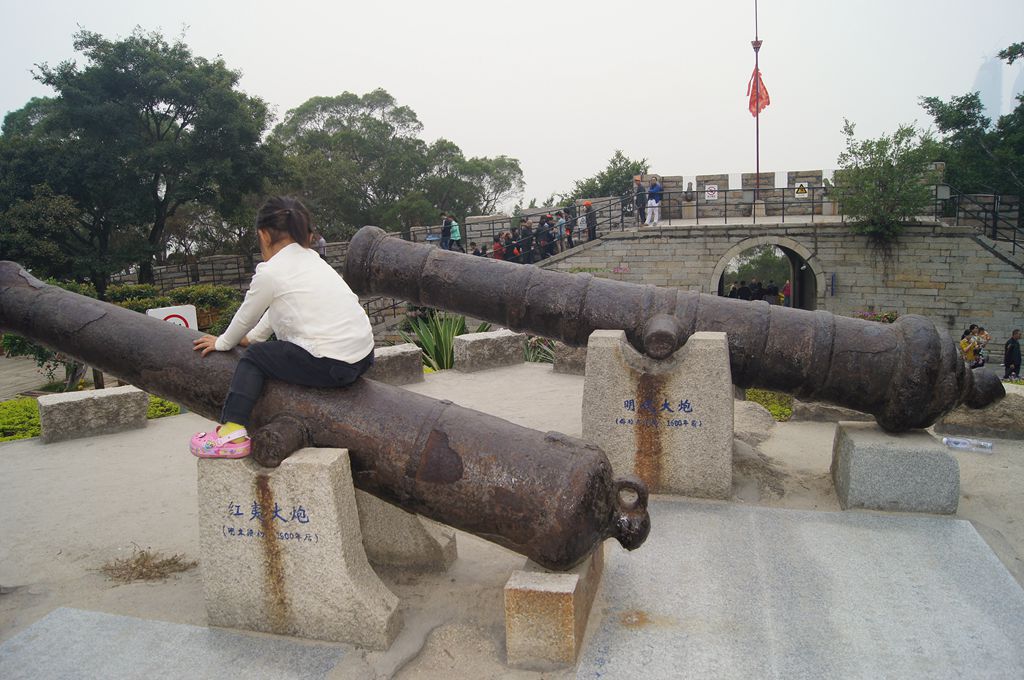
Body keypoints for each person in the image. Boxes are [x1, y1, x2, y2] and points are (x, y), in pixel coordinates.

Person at [189, 197, 375, 459]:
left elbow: (246, 315)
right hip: (363, 357)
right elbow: (277, 308)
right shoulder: (313, 261)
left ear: (263, 235)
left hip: (331, 363)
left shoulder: (271, 272)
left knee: (254, 359)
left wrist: (223, 343)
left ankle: (232, 429)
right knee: (259, 347)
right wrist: (254, 338)